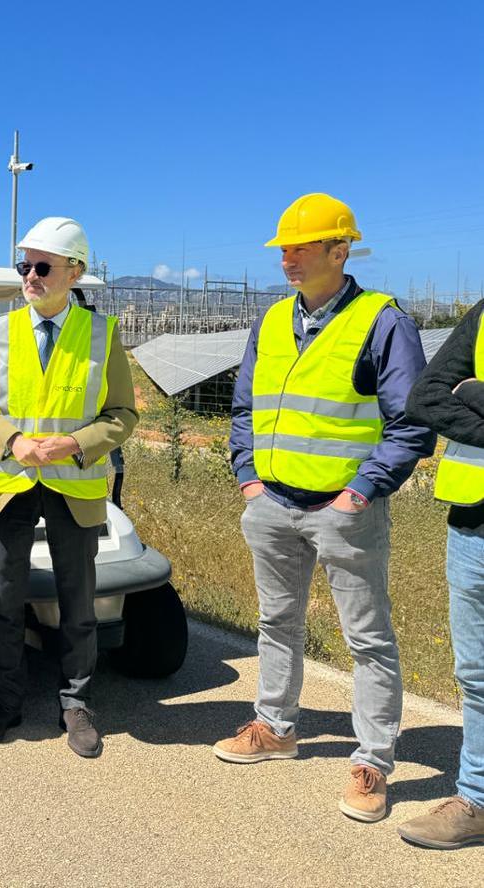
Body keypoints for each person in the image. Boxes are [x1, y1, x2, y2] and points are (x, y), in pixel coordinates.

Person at [213, 193, 435, 823]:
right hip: (271, 502)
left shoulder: (381, 321)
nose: (289, 258)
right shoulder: (273, 321)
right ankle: (275, 727)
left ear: (341, 250)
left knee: (367, 638)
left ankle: (373, 760)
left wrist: (360, 493)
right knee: (275, 624)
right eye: (284, 248)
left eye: (302, 246)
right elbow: (244, 409)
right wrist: (249, 479)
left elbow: (412, 422)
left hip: (346, 510)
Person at [0, 217, 138, 756]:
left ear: (75, 271)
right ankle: (6, 701)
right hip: (10, 483)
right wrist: (13, 441)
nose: (30, 276)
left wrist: (75, 444)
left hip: (74, 487)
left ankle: (76, 704)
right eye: (25, 266)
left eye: (42, 267)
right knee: (5, 600)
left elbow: (123, 414)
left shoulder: (102, 336)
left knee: (77, 601)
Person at [399, 303, 484, 848]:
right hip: (473, 526)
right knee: (476, 673)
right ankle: (476, 798)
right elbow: (426, 397)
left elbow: (456, 397)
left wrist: (475, 394)